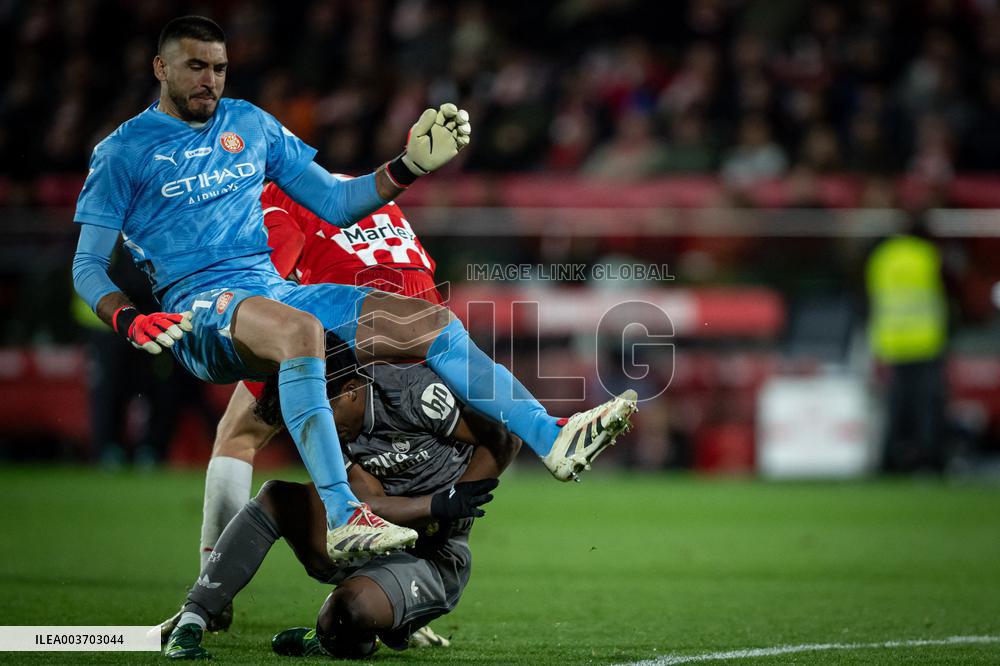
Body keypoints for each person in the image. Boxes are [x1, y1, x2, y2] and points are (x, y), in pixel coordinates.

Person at [71, 16, 637, 561]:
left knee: (429, 323)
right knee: (300, 332)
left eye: (218, 68)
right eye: (195, 66)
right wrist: (127, 317)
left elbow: (338, 203)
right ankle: (344, 515)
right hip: (198, 309)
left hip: (269, 292)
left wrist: (408, 166)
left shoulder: (249, 123)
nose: (209, 80)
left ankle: (553, 437)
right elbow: (88, 266)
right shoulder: (122, 152)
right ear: (160, 68)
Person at [163, 335, 521, 659]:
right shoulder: (325, 422)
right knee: (277, 497)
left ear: (351, 389)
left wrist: (461, 493)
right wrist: (437, 504)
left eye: (322, 411)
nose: (315, 423)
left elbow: (505, 438)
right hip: (372, 534)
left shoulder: (414, 393)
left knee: (346, 615)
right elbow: (365, 507)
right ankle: (194, 618)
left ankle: (339, 636)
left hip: (433, 556)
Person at [865, 216, 949, 472]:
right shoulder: (928, 255)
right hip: (926, 340)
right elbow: (947, 290)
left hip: (892, 341)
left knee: (896, 405)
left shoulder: (882, 257)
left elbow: (871, 296)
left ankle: (891, 460)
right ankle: (929, 460)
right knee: (927, 405)